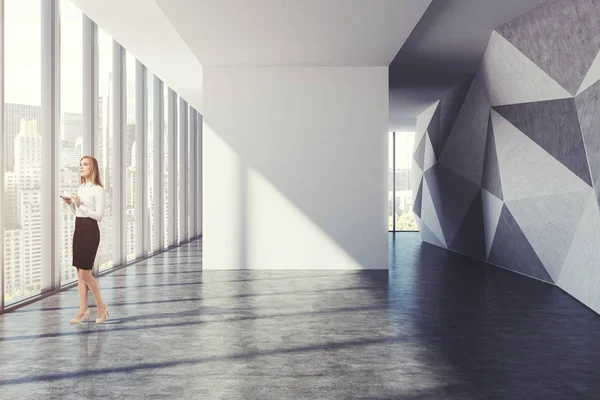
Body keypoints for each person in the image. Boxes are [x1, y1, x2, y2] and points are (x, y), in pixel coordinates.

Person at [61, 156, 109, 324]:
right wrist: (71, 204)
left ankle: (101, 307)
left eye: (85, 164)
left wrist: (80, 204)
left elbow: (99, 216)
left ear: (93, 167)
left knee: (85, 273)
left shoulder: (98, 189)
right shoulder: (80, 188)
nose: (81, 167)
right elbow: (78, 213)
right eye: (80, 164)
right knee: (79, 274)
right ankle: (83, 309)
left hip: (90, 231)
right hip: (79, 229)